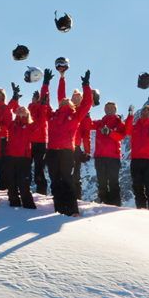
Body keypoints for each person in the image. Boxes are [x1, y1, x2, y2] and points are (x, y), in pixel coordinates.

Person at [45, 69, 93, 216]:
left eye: (68, 100)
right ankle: (59, 210)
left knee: (67, 180)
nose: (65, 100)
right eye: (62, 100)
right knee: (55, 181)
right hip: (52, 151)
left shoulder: (76, 115)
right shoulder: (52, 115)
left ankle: (72, 210)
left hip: (67, 152)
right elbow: (44, 100)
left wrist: (86, 85)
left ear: (72, 105)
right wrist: (46, 83)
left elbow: (87, 102)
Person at [58, 72, 92, 199]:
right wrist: (62, 78)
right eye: (74, 97)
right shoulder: (64, 110)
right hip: (61, 147)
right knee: (62, 174)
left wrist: (87, 151)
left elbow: (86, 134)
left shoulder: (83, 115)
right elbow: (61, 95)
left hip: (75, 147)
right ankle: (63, 197)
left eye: (79, 97)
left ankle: (77, 199)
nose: (76, 98)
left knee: (75, 175)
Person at [4, 84, 36, 209]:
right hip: (11, 157)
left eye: (24, 110)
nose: (22, 110)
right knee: (11, 183)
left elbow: (42, 118)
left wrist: (42, 104)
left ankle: (28, 206)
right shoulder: (11, 125)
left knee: (24, 184)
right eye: (20, 109)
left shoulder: (30, 126)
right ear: (17, 112)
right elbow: (6, 110)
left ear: (28, 114)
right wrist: (14, 98)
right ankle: (13, 204)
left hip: (24, 158)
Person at [90, 102, 127, 206]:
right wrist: (87, 114)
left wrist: (110, 132)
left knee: (113, 182)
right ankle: (103, 202)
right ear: (104, 110)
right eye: (107, 108)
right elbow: (87, 124)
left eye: (112, 108)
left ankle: (115, 205)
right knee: (101, 182)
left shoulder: (119, 123)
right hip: (100, 157)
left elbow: (121, 136)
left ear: (115, 110)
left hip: (113, 157)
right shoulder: (99, 123)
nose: (109, 109)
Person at [28, 86, 52, 194]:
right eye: (34, 97)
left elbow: (42, 118)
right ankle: (25, 189)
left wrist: (46, 83)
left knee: (39, 169)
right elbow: (31, 118)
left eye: (38, 97)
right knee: (26, 167)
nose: (36, 99)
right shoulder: (30, 108)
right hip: (29, 141)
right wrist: (35, 102)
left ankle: (41, 192)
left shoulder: (45, 108)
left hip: (41, 142)